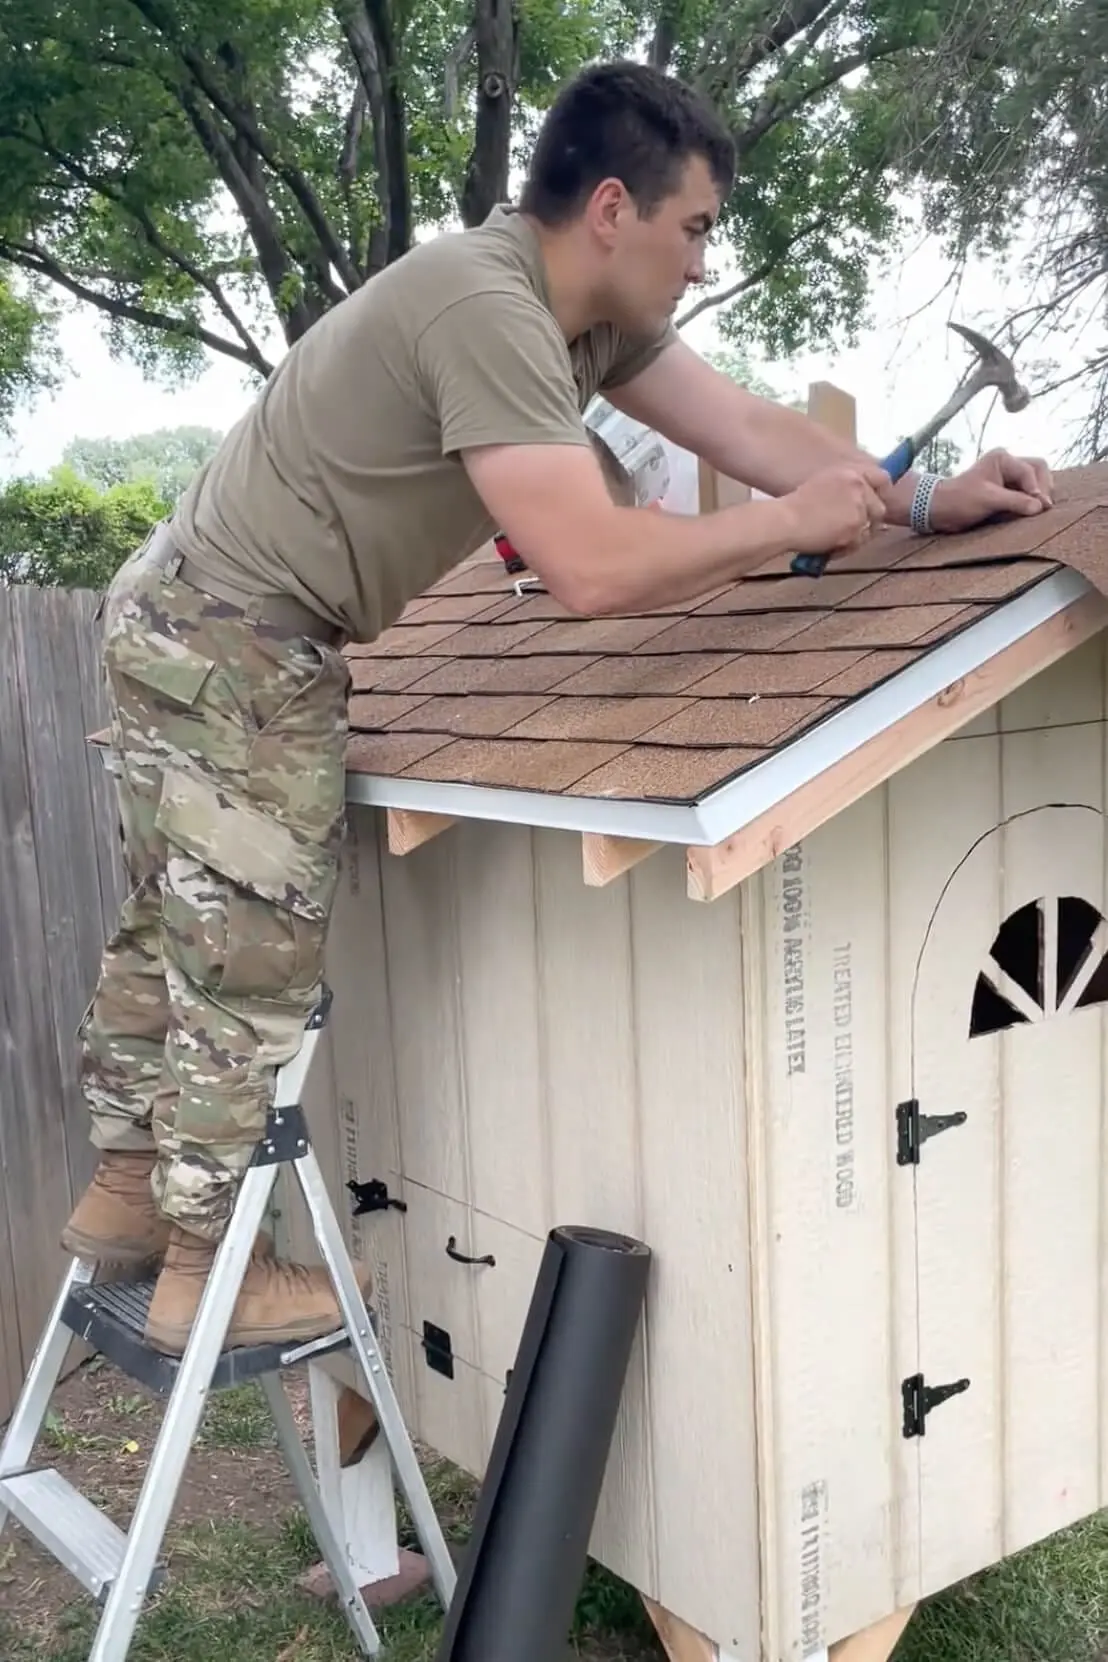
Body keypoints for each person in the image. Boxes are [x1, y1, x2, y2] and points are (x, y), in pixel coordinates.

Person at [62, 58, 1052, 1360]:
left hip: (187, 616)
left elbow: (752, 427)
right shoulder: (487, 305)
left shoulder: (595, 325)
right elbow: (587, 565)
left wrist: (919, 500)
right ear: (608, 209)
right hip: (239, 632)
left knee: (170, 924)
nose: (701, 262)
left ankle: (124, 1200)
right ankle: (204, 1266)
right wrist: (779, 533)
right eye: (693, 227)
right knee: (248, 948)